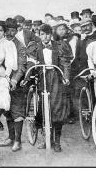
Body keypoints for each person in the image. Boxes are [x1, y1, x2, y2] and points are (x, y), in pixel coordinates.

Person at [26, 24, 72, 152]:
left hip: (56, 77)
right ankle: (46, 139)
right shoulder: (35, 46)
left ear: (51, 34)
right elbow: (31, 61)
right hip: (42, 77)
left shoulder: (59, 46)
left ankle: (57, 141)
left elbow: (65, 64)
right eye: (42, 34)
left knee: (56, 109)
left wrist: (66, 77)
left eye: (47, 34)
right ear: (39, 35)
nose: (45, 37)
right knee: (42, 108)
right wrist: (29, 74)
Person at [0, 19, 27, 152]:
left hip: (16, 83)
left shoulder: (19, 45)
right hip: (2, 82)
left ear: (16, 31)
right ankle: (10, 137)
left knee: (17, 110)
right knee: (6, 110)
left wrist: (14, 80)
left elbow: (21, 66)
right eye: (7, 30)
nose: (10, 32)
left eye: (13, 30)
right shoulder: (0, 43)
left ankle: (18, 140)